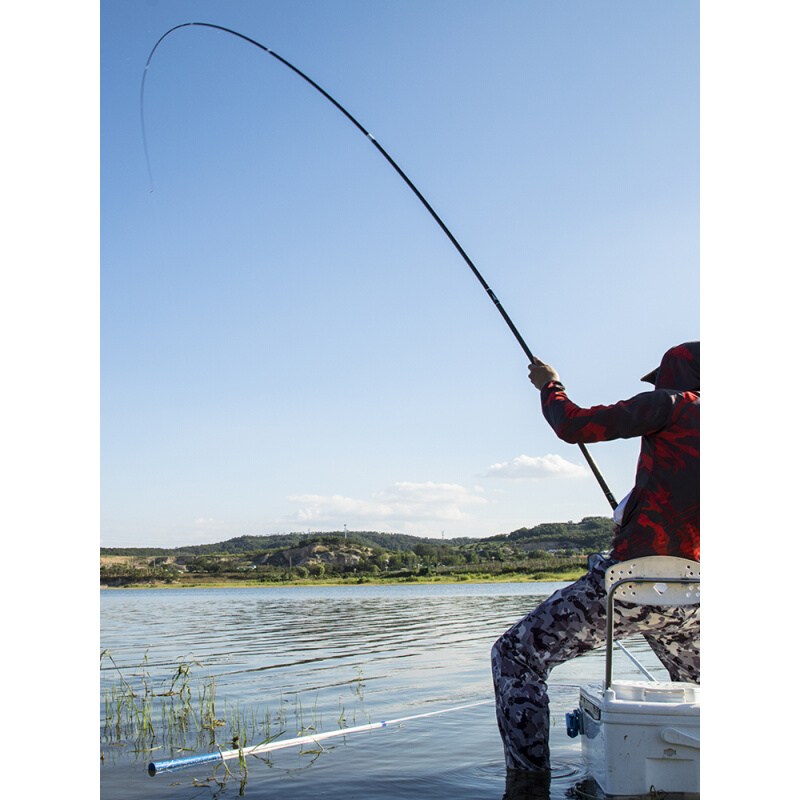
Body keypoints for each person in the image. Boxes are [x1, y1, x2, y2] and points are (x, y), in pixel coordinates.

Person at [491, 341, 700, 781]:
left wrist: (551, 386)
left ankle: (528, 783)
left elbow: (573, 426)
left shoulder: (677, 405)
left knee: (514, 656)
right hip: (700, 599)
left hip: (635, 585)